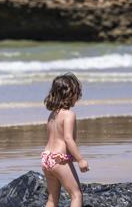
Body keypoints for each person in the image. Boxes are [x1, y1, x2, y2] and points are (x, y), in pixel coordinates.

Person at [41, 73, 89, 207]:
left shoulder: (52, 115)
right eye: (76, 93)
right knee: (76, 195)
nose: (78, 96)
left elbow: (54, 138)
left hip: (46, 158)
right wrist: (80, 159)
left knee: (52, 199)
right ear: (69, 94)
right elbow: (68, 139)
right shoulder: (69, 115)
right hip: (59, 159)